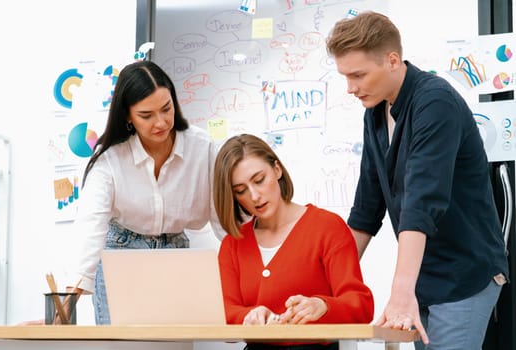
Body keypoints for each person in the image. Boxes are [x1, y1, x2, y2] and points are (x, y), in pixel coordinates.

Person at [325, 11, 509, 349]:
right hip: (425, 278)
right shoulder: (375, 114)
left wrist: (400, 291)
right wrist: (327, 294)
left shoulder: (434, 102)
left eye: (359, 75)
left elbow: (421, 203)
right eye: (345, 77)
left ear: (392, 60)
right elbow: (366, 211)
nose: (350, 88)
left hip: (463, 275)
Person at [65, 60, 224, 324]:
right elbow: (90, 229)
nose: (161, 122)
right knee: (120, 345)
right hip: (120, 253)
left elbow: (223, 220)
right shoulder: (110, 159)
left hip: (176, 253)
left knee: (172, 343)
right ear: (127, 115)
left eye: (166, 109)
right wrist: (66, 306)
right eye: (146, 116)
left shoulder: (202, 147)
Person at [213, 134, 374, 350]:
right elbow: (226, 311)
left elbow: (360, 304)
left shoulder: (327, 227)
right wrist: (248, 316)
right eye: (240, 191)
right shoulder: (233, 244)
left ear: (277, 170)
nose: (254, 196)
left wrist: (323, 306)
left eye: (259, 180)